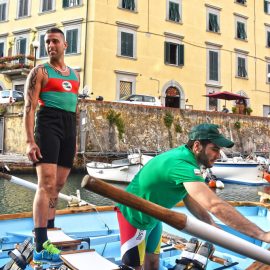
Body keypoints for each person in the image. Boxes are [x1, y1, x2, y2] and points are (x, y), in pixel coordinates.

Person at [116, 123, 270, 270]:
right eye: (215, 149)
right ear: (197, 146)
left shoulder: (187, 159)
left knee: (154, 263)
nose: (218, 155)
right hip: (134, 216)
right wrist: (261, 235)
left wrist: (210, 225)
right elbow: (214, 205)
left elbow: (189, 197)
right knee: (135, 267)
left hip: (154, 216)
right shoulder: (182, 164)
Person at [23, 27, 80, 263]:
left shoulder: (74, 75)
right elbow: (29, 107)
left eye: (55, 41)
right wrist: (29, 140)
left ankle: (51, 233)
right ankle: (39, 246)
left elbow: (74, 108)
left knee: (58, 185)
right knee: (45, 184)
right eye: (48, 42)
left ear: (65, 45)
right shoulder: (40, 72)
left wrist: (74, 140)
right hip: (48, 125)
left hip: (68, 128)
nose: (50, 45)